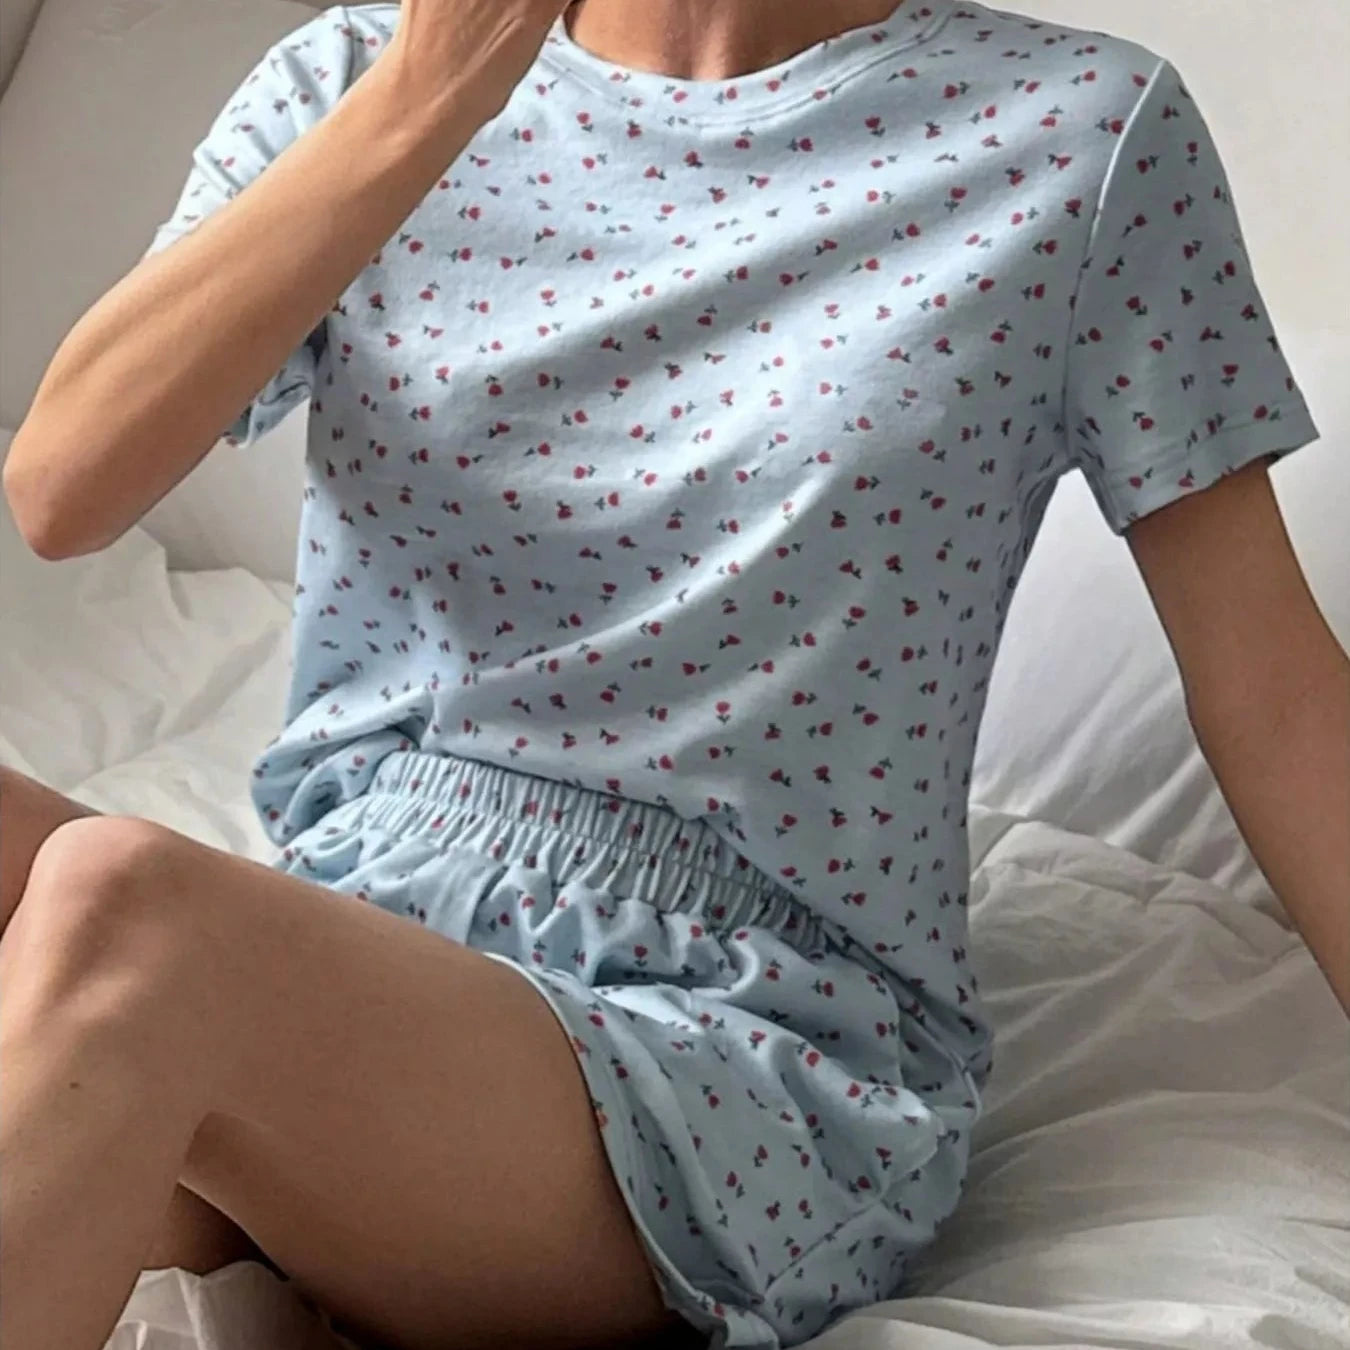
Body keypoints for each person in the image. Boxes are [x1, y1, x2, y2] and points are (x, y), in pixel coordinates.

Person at [1, 0, 1346, 1347]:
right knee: (100, 901)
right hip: (354, 936)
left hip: (724, 1038)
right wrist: (422, 99)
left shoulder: (1077, 136)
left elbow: (1273, 693)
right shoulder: (357, 77)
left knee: (125, 908)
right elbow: (61, 490)